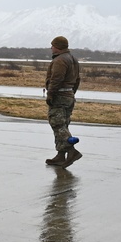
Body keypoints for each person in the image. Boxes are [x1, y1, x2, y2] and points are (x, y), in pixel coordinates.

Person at [44, 36, 82, 167]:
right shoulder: (73, 59)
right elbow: (77, 79)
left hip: (59, 96)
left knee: (57, 124)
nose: (51, 48)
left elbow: (56, 79)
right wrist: (71, 93)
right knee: (63, 124)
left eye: (53, 45)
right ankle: (60, 155)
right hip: (69, 95)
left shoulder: (60, 60)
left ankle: (72, 151)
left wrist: (50, 94)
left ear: (58, 47)